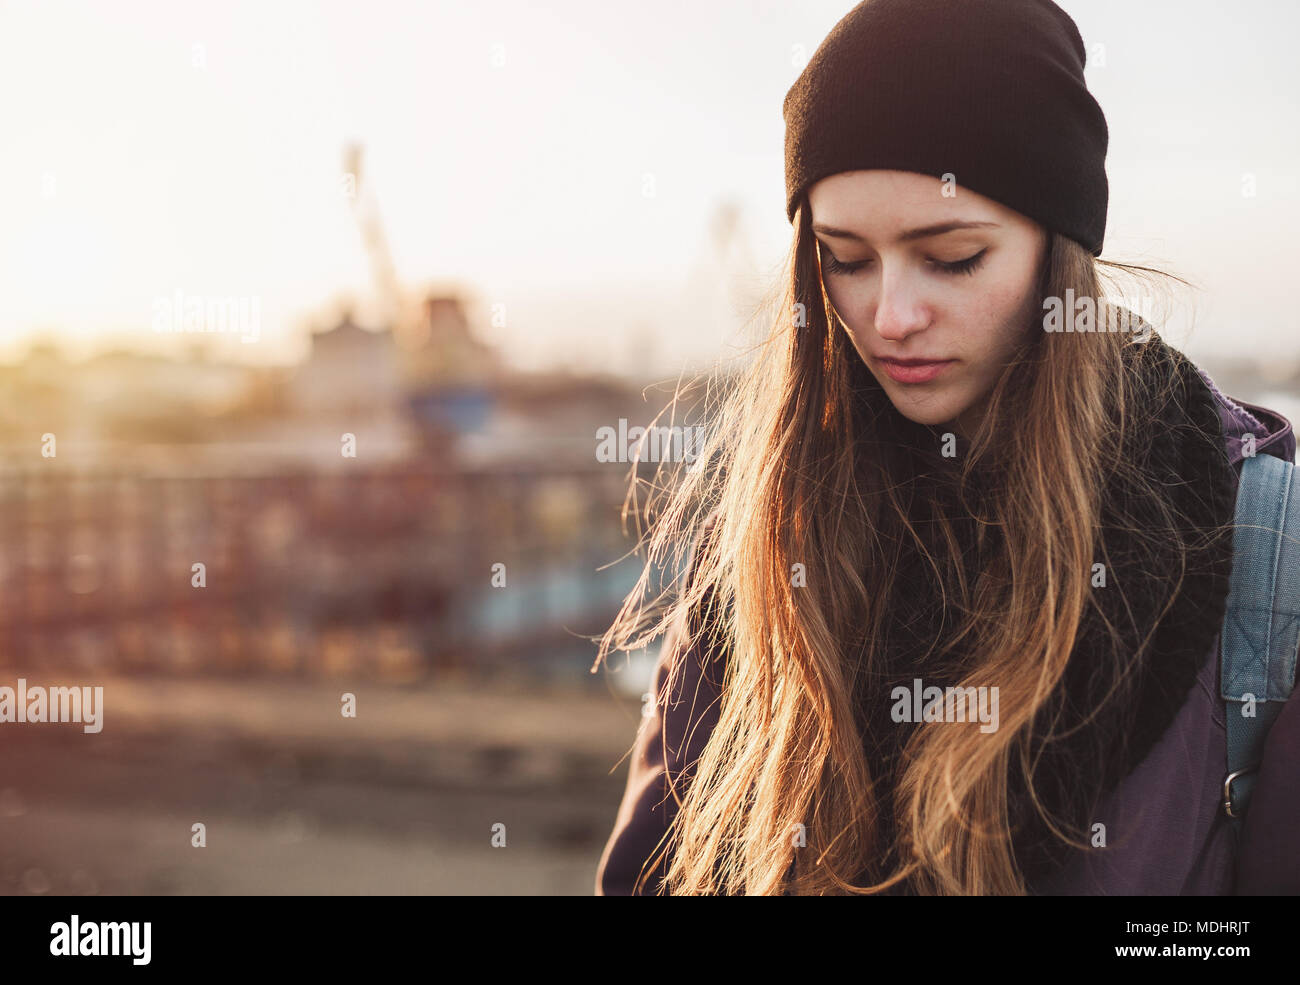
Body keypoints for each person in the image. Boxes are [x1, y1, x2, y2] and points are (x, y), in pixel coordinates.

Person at [591, 0, 1298, 895]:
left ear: (1060, 253)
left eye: (953, 257)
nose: (890, 318)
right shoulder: (767, 530)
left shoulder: (1267, 557)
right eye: (846, 259)